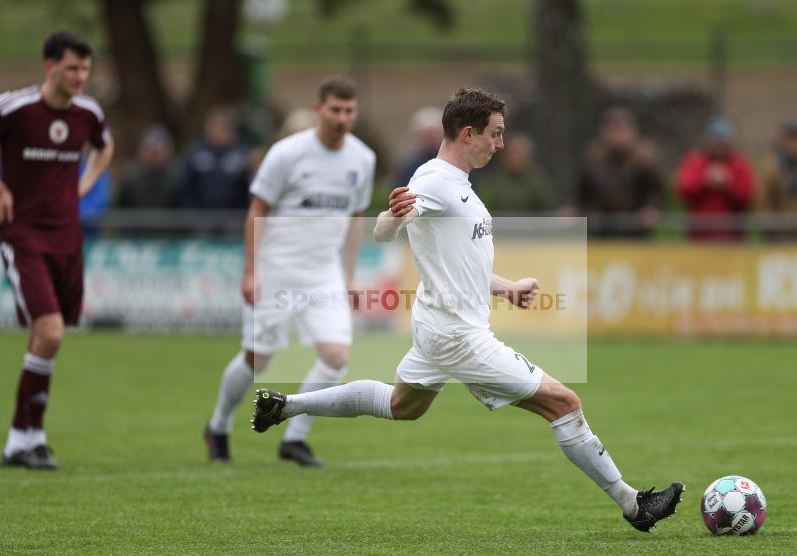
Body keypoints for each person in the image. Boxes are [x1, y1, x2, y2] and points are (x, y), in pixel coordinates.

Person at [251, 88, 684, 532]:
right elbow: (384, 230)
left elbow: (458, 262)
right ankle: (634, 504)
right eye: (495, 135)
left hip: (438, 323)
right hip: (458, 334)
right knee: (563, 402)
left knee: (404, 405)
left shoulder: (458, 185)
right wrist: (393, 217)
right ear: (468, 132)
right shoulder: (434, 181)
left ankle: (287, 407)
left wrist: (507, 287)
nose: (500, 145)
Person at [204, 77, 376, 467]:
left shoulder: (362, 159)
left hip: (323, 274)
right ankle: (217, 425)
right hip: (277, 270)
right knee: (257, 360)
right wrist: (250, 272)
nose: (342, 118)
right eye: (335, 109)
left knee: (336, 356)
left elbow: (354, 219)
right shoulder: (286, 153)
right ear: (319, 109)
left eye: (349, 111)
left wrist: (348, 277)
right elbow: (257, 210)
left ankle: (294, 437)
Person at [0, 31, 114, 469]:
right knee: (49, 332)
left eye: (85, 69)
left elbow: (105, 145)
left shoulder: (88, 111)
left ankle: (26, 439)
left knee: (49, 338)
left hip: (67, 236)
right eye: (72, 68)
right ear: (49, 66)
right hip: (24, 235)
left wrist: (86, 184)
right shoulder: (15, 107)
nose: (79, 77)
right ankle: (23, 435)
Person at [575, 107, 665, 238]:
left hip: (635, 231)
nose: (618, 136)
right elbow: (581, 193)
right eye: (614, 130)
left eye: (622, 130)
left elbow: (656, 193)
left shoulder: (644, 161)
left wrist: (651, 209)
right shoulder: (593, 159)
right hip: (600, 230)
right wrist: (574, 209)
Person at [676, 116, 754, 242]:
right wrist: (705, 181)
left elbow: (747, 196)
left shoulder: (740, 164)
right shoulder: (695, 161)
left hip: (732, 238)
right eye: (716, 141)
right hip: (699, 237)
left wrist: (728, 184)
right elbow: (684, 190)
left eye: (724, 142)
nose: (720, 145)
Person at [177, 107, 250, 211]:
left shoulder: (241, 155)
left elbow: (245, 189)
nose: (222, 134)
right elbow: (185, 187)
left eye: (226, 129)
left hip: (232, 217)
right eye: (219, 128)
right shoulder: (196, 153)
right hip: (200, 217)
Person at [474, 133, 556, 214]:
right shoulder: (492, 182)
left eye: (521, 153)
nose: (517, 157)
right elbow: (483, 207)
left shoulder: (537, 180)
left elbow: (548, 206)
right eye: (514, 152)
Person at [114, 125, 179, 210]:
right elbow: (122, 208)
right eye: (150, 150)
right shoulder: (131, 177)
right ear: (142, 151)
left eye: (158, 151)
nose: (155, 156)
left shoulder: (177, 177)